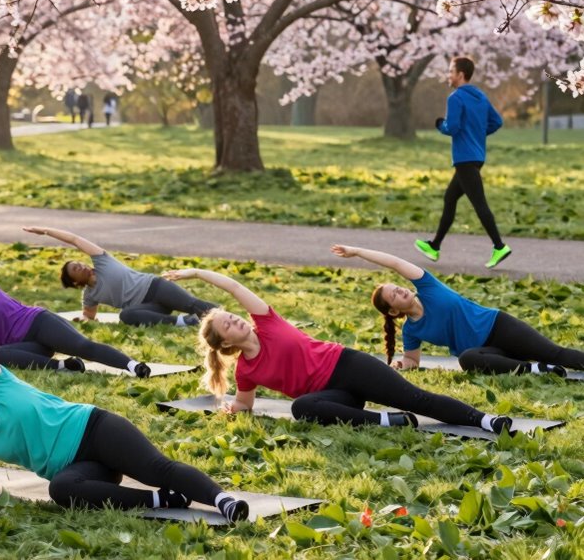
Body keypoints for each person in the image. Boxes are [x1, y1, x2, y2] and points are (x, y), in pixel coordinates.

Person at [0, 317, 250, 522]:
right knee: (62, 491)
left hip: (94, 428)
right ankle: (157, 501)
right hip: (79, 468)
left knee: (156, 466)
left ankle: (223, 501)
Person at [165, 267, 515, 435]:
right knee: (303, 407)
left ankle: (486, 420)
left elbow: (235, 285)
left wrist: (196, 272)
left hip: (349, 366)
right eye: (229, 325)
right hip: (333, 395)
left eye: (232, 316)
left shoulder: (266, 322)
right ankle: (384, 421)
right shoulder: (246, 371)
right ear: (226, 344)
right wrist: (232, 409)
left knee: (417, 400)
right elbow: (244, 403)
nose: (237, 321)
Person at [0, 235, 152, 377]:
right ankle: (62, 367)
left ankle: (133, 365)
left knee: (83, 346)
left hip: (40, 323)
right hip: (29, 348)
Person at [332, 244, 584, 377]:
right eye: (394, 295)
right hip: (486, 351)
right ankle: (535, 370)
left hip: (499, 327)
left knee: (556, 354)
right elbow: (412, 360)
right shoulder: (412, 330)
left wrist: (357, 252)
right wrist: (401, 365)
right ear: (394, 311)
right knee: (467, 360)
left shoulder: (427, 286)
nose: (401, 290)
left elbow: (396, 263)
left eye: (397, 287)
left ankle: (546, 364)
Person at [415, 56, 510, 269]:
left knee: (479, 204)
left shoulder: (455, 98)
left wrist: (441, 125)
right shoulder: (480, 96)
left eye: (450, 71)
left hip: (464, 159)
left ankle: (499, 246)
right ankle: (435, 245)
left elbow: (454, 127)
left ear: (460, 74)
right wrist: (477, 133)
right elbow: (497, 122)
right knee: (450, 198)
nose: (448, 75)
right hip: (476, 157)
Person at [25, 226, 216, 327]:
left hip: (156, 287)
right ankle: (183, 322)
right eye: (76, 269)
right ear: (76, 282)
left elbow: (74, 239)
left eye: (79, 263)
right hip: (148, 308)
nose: (81, 266)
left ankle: (226, 317)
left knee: (192, 305)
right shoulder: (90, 295)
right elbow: (88, 316)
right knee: (126, 315)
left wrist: (46, 231)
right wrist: (82, 321)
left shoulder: (102, 261)